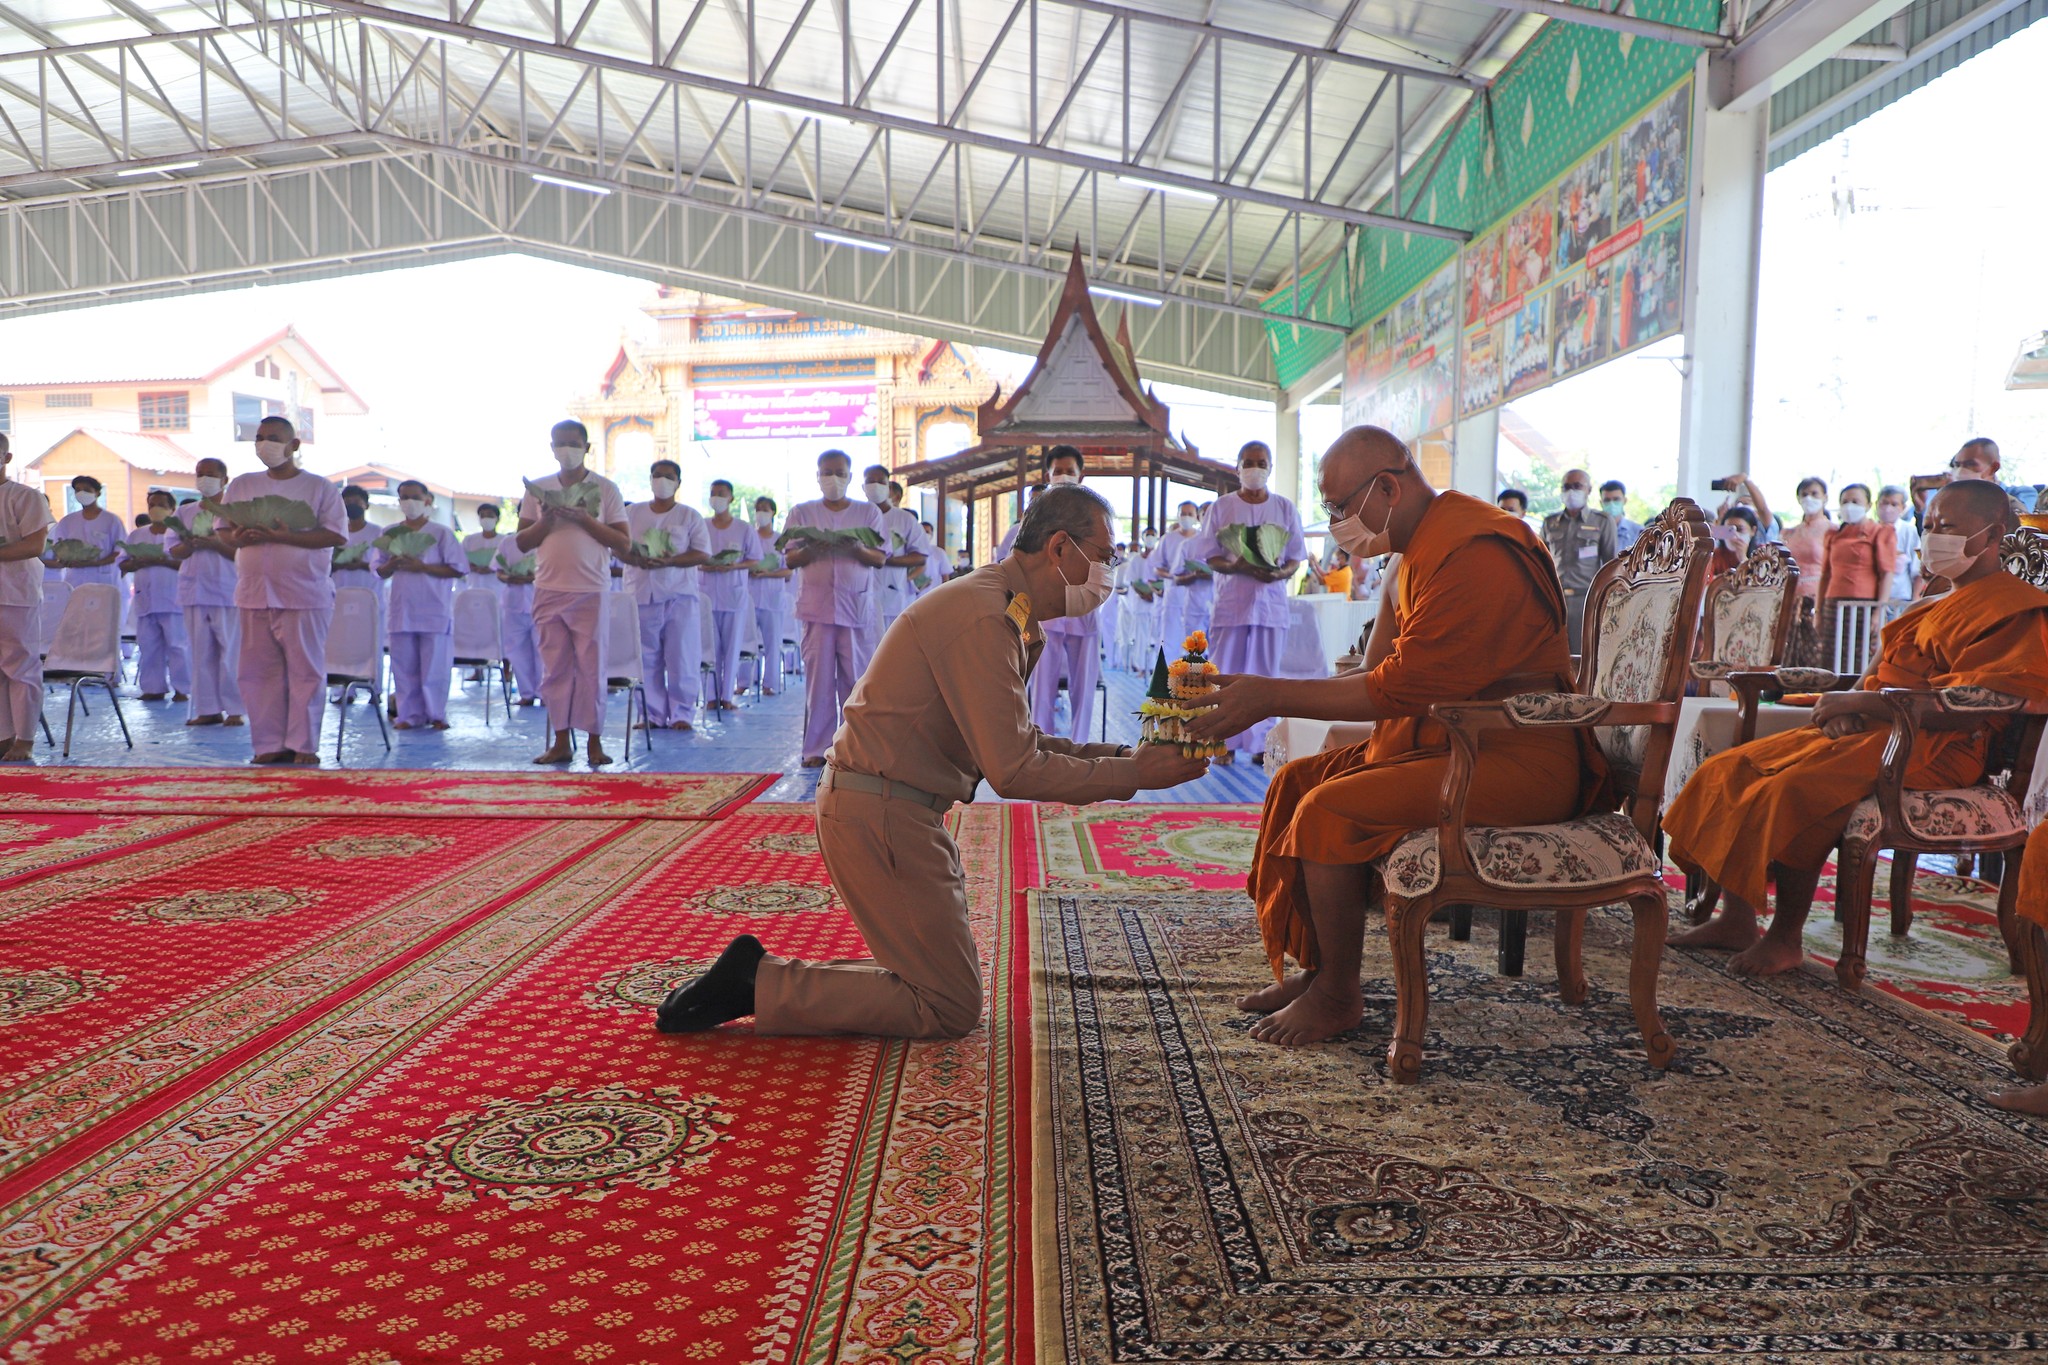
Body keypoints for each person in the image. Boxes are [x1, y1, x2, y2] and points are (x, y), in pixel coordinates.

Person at [655, 484, 1208, 1039]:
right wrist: (1134, 774)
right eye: (1105, 556)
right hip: (880, 814)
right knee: (946, 1006)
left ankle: (759, 978)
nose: (1109, 573)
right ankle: (756, 984)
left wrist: (1123, 756)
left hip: (895, 809)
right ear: (1060, 548)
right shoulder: (985, 615)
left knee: (935, 986)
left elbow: (1018, 737)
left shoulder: (1003, 605)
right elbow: (1013, 769)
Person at [1187, 427, 1605, 1045]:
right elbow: (1375, 668)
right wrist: (1264, 688)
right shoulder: (1413, 555)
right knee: (1297, 781)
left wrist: (1269, 695)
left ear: (1387, 487)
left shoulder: (1475, 550)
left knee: (1329, 808)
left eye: (1339, 506)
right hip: (1451, 742)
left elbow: (1396, 689)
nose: (1335, 523)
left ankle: (1339, 995)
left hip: (1515, 756)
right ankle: (1320, 969)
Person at [1665, 481, 2048, 977]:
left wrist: (1864, 702)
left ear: (1992, 535)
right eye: (1929, 525)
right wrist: (1850, 704)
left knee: (1796, 788)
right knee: (1732, 768)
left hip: (1938, 747)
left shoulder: (2015, 607)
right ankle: (1736, 920)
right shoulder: (1930, 603)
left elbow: (1976, 703)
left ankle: (1785, 938)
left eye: (1947, 527)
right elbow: (1878, 674)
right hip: (1878, 729)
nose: (1933, 536)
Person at [215, 417, 348, 765]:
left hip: (303, 593)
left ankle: (304, 744)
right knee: (257, 672)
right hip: (254, 593)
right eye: (259, 438)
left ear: (294, 445)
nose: (265, 445)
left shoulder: (319, 487)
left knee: (305, 672)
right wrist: (238, 538)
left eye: (274, 438)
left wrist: (286, 536)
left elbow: (335, 534)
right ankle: (269, 744)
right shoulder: (242, 485)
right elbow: (223, 530)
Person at [516, 419, 632, 765]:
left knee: (591, 668)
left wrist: (585, 519)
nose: (566, 450)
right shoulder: (538, 489)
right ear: (552, 448)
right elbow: (522, 541)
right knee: (555, 669)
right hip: (548, 588)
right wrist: (547, 520)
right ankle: (561, 741)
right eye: (560, 443)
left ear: (586, 448)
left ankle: (595, 742)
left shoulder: (606, 489)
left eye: (573, 443)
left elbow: (623, 543)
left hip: (590, 589)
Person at [1191, 441, 1306, 763]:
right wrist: (1236, 566)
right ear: (1238, 468)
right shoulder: (1221, 507)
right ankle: (1223, 743)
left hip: (1270, 604)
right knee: (1225, 673)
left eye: (1261, 463)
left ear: (1270, 468)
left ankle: (1261, 745)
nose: (1255, 469)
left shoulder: (1285, 508)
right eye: (1249, 463)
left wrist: (1280, 573)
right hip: (1231, 604)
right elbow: (1210, 555)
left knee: (1266, 677)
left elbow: (1295, 557)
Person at [785, 450, 887, 768]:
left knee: (856, 681)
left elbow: (880, 557)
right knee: (818, 683)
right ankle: (816, 748)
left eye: (840, 473)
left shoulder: (867, 513)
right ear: (818, 477)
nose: (834, 479)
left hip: (855, 607)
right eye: (827, 473)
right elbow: (790, 558)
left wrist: (856, 548)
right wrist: (811, 549)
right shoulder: (802, 513)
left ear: (849, 477)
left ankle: (855, 748)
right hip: (816, 608)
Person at [620, 460, 713, 733]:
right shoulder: (632, 513)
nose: (662, 481)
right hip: (641, 593)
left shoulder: (689, 515)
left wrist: (670, 560)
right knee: (645, 658)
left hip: (679, 596)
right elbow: (618, 547)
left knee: (682, 656)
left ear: (678, 483)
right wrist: (637, 558)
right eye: (657, 475)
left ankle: (682, 712)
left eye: (669, 477)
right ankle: (651, 714)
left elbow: (702, 553)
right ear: (650, 480)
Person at [1022, 448, 1103, 743]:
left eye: (1069, 471)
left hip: (1084, 612)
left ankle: (1080, 745)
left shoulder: (1097, 514)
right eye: (1058, 471)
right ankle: (1042, 746)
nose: (1063, 476)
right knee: (1042, 688)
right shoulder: (1035, 517)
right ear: (1048, 475)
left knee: (1084, 688)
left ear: (1081, 475)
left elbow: (1106, 558)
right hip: (1047, 613)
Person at [375, 481, 466, 731]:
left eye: (415, 497)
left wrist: (423, 567)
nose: (410, 502)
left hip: (434, 607)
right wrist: (392, 564)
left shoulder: (441, 533)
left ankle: (436, 714)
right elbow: (378, 570)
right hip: (402, 608)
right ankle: (408, 715)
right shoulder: (390, 533)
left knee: (435, 666)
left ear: (427, 500)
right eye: (404, 497)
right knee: (403, 666)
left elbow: (458, 569)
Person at [170, 461, 243, 728]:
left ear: (225, 480)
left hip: (227, 589)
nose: (205, 479)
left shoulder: (236, 512)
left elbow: (242, 553)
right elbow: (173, 550)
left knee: (231, 652)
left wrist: (215, 543)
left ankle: (235, 709)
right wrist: (190, 544)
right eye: (200, 474)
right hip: (194, 590)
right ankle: (208, 709)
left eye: (211, 475)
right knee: (200, 653)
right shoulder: (184, 512)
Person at [0, 434, 51, 763]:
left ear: (6, 458)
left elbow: (35, 545)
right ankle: (3, 737)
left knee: (21, 667)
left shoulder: (25, 497)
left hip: (16, 592)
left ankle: (25, 739)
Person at [1815, 482, 1898, 670]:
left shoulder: (1880, 532)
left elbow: (1886, 572)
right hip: (1833, 605)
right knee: (1830, 659)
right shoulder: (1833, 534)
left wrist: (1879, 611)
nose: (1849, 506)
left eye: (1855, 501)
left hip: (1863, 606)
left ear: (1868, 505)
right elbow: (1825, 574)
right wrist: (1818, 611)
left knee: (1860, 660)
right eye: (1845, 501)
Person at [122, 490, 189, 702]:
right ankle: (153, 688)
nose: (155, 509)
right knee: (148, 647)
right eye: (152, 504)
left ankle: (183, 689)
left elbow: (189, 564)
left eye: (161, 505)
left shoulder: (181, 534)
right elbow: (123, 563)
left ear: (172, 509)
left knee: (178, 647)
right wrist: (137, 562)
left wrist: (162, 561)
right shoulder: (137, 535)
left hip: (173, 598)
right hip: (146, 598)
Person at [701, 478, 762, 711]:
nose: (716, 497)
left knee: (732, 647)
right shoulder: (702, 525)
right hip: (706, 593)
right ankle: (710, 696)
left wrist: (734, 566)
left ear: (731, 498)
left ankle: (726, 696)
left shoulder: (743, 528)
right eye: (713, 493)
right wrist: (704, 565)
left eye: (721, 493)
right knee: (709, 648)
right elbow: (693, 554)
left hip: (733, 595)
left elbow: (754, 558)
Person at [1541, 468, 1617, 654]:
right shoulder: (1550, 522)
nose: (1571, 491)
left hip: (1586, 599)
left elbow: (1611, 565)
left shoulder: (1602, 521)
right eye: (1566, 487)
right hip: (1555, 599)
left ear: (1588, 490)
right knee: (1552, 654)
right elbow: (1541, 562)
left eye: (1577, 486)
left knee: (1581, 655)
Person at [862, 468, 930, 654]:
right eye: (870, 481)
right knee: (864, 653)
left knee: (893, 651)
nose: (875, 485)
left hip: (892, 595)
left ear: (889, 487)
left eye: (880, 481)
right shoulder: (855, 516)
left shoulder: (904, 519)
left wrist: (885, 560)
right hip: (859, 597)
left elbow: (921, 556)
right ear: (863, 486)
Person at [746, 497, 792, 696]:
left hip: (773, 599)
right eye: (758, 509)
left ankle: (770, 683)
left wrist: (767, 574)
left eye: (765, 509)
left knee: (772, 643)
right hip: (750, 597)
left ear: (773, 512)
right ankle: (744, 682)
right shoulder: (749, 536)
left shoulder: (781, 540)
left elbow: (788, 572)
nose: (761, 513)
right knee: (747, 641)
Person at [493, 529, 543, 706]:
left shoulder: (547, 539)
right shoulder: (508, 542)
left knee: (542, 650)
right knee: (516, 651)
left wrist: (533, 577)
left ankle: (545, 694)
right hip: (513, 603)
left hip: (540, 602)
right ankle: (526, 693)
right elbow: (498, 570)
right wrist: (509, 577)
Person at [459, 502, 509, 681]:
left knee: (501, 630)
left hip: (498, 590)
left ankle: (506, 670)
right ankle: (477, 669)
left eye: (490, 515)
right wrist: (472, 566)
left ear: (497, 519)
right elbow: (459, 562)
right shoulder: (469, 541)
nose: (486, 519)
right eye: (483, 515)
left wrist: (492, 568)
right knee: (476, 628)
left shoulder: (504, 541)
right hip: (474, 588)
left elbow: (509, 563)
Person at [48, 476, 124, 587]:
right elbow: (59, 549)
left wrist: (95, 563)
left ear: (98, 493)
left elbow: (119, 552)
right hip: (75, 579)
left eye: (87, 490)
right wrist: (65, 560)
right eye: (78, 490)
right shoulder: (67, 521)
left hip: (104, 579)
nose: (82, 493)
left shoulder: (111, 520)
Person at [1878, 485, 1921, 602]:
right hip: (1873, 598)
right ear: (1877, 504)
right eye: (1884, 503)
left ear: (1903, 507)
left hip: (1900, 598)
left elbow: (1917, 568)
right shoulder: (1871, 530)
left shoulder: (1909, 531)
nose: (1888, 508)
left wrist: (1915, 598)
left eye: (1894, 504)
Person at [1707, 505, 1762, 578]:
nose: (1734, 535)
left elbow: (1760, 580)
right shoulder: (1716, 555)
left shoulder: (1762, 554)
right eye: (1729, 530)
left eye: (1740, 529)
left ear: (1753, 531)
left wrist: (1743, 559)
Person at [1600, 480, 1643, 552]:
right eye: (1607, 500)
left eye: (1616, 499)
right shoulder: (1593, 530)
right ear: (1601, 503)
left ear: (1624, 500)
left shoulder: (1637, 531)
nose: (1612, 504)